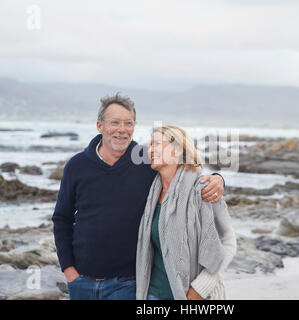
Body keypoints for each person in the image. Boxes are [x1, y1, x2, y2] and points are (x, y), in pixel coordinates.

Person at [52, 93, 226, 300]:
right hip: (81, 282)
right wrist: (69, 270)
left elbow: (182, 172)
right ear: (100, 126)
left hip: (127, 283)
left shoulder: (146, 160)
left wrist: (217, 178)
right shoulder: (77, 165)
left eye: (129, 123)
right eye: (115, 122)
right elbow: (62, 218)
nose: (122, 130)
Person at [136, 125, 236, 300]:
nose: (150, 150)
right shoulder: (151, 192)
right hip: (152, 294)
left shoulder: (204, 189)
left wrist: (199, 289)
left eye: (157, 144)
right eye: (150, 145)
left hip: (193, 296)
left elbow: (229, 243)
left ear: (177, 150)